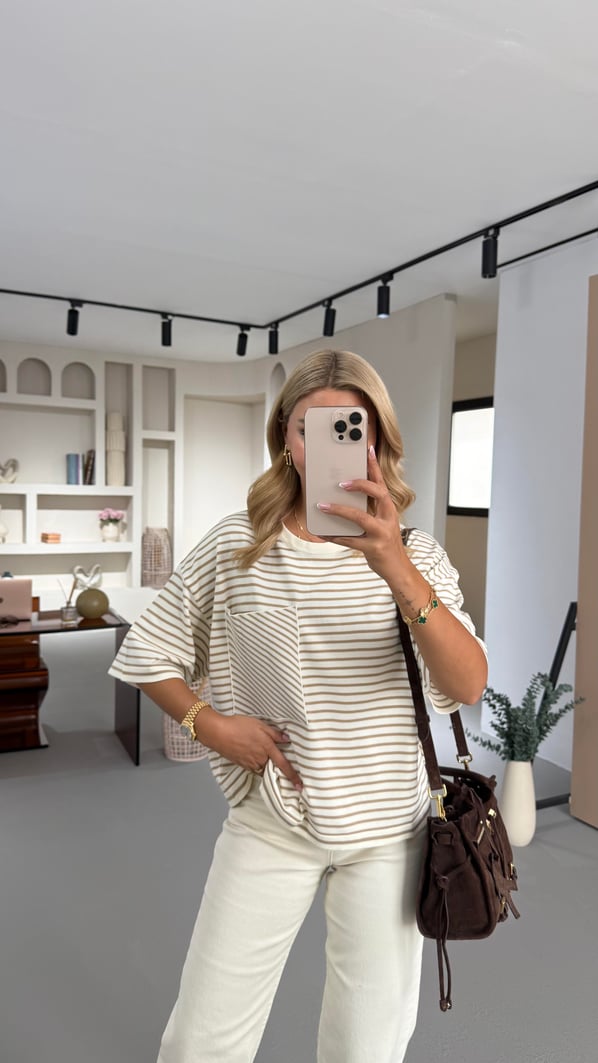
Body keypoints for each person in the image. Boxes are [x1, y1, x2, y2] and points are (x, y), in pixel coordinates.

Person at [109, 348, 487, 1063]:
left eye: (350, 426)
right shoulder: (238, 544)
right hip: (271, 821)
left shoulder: (414, 552)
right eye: (310, 427)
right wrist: (211, 726)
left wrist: (395, 566)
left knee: (364, 1048)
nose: (329, 443)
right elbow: (151, 651)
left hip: (388, 831)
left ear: (375, 438)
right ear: (286, 437)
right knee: (199, 1042)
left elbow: (468, 684)